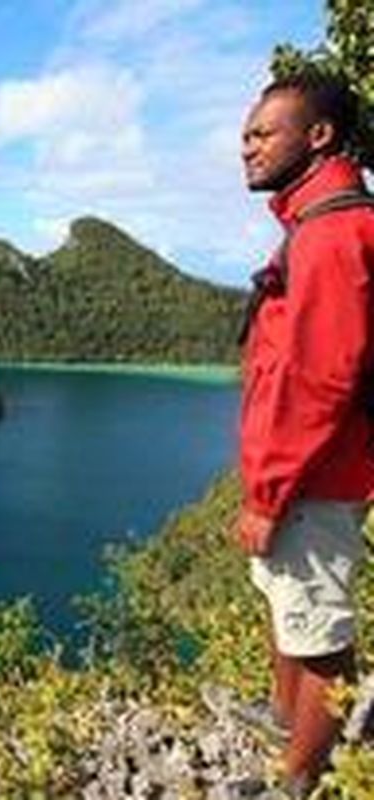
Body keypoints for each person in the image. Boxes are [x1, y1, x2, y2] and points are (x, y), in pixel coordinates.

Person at [236, 72, 374, 790]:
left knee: (318, 631)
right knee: (286, 601)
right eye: (246, 136)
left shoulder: (330, 235)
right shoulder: (316, 224)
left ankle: (297, 778)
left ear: (318, 136)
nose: (247, 147)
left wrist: (268, 495)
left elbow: (320, 378)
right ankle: (288, 721)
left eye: (264, 133)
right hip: (305, 473)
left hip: (314, 477)